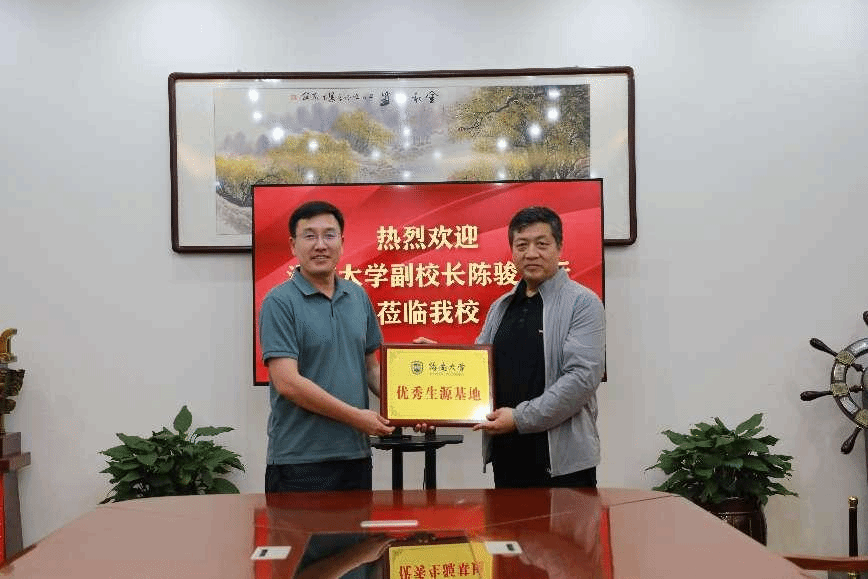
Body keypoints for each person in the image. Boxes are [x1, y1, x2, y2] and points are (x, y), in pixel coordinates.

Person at [259, 200, 393, 493]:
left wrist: (408, 408)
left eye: (329, 235)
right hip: (299, 461)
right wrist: (357, 418)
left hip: (355, 456)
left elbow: (371, 369)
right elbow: (287, 382)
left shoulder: (357, 297)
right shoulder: (279, 302)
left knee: (359, 526)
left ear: (342, 242)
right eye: (309, 236)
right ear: (293, 245)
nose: (320, 245)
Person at [471, 206, 605, 488]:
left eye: (541, 244)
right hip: (507, 456)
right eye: (522, 245)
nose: (531, 253)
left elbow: (582, 379)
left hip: (563, 466)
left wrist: (519, 418)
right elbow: (476, 366)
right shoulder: (500, 307)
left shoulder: (583, 303)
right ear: (512, 251)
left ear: (559, 247)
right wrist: (438, 359)